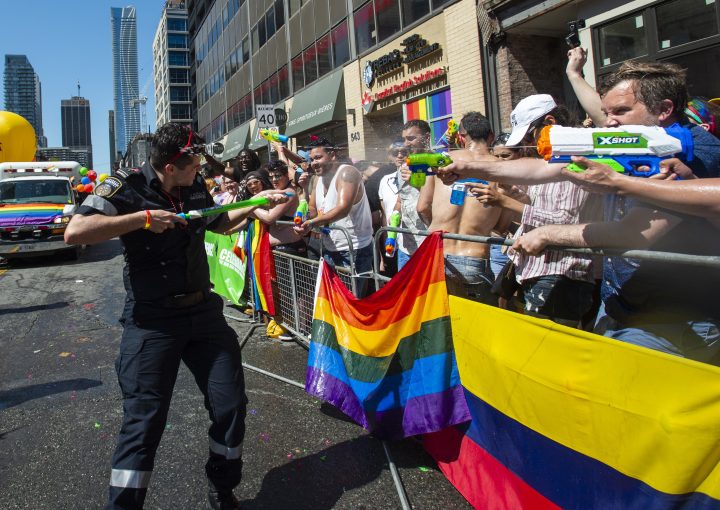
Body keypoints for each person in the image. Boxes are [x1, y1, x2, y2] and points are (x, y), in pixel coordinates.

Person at [63, 122, 288, 510]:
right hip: (151, 320)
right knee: (144, 421)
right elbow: (76, 231)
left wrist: (253, 207)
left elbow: (219, 223)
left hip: (203, 314)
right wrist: (143, 219)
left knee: (230, 405)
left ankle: (222, 487)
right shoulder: (125, 185)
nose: (200, 171)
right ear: (170, 166)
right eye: (193, 164)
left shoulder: (193, 184)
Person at [416, 111, 501, 303]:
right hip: (475, 257)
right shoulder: (502, 168)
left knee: (439, 320)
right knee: (475, 322)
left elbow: (422, 207)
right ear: (491, 137)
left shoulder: (440, 161)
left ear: (461, 137)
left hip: (436, 252)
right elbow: (503, 224)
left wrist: (437, 224)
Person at [293, 137, 374, 297]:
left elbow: (342, 209)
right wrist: (306, 225)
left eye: (318, 158)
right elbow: (312, 207)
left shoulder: (347, 173)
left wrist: (312, 223)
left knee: (351, 300)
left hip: (354, 249)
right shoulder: (318, 178)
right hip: (330, 247)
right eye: (311, 159)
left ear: (333, 155)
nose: (313, 163)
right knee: (334, 299)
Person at [394, 120, 432, 270]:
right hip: (406, 246)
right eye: (404, 139)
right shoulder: (403, 166)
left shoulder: (437, 165)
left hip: (428, 243)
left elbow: (441, 201)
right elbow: (401, 199)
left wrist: (415, 181)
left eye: (411, 138)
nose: (406, 144)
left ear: (426, 138)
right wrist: (394, 220)